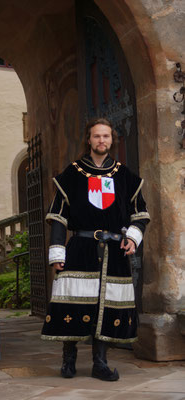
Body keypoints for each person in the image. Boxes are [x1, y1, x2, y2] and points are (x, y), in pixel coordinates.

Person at [41, 117, 150, 381]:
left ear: (112, 140)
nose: (102, 140)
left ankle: (100, 363)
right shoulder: (72, 174)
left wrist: (133, 238)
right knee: (74, 303)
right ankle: (69, 360)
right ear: (88, 140)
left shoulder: (124, 176)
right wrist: (57, 251)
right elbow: (58, 217)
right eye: (97, 136)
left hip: (113, 250)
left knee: (107, 306)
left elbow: (141, 214)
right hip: (80, 247)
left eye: (106, 136)